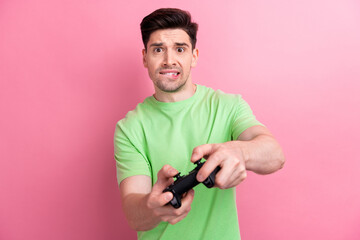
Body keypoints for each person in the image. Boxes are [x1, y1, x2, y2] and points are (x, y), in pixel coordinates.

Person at [114, 8, 285, 240]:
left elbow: (275, 155)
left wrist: (239, 151)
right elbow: (134, 215)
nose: (169, 60)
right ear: (145, 57)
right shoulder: (130, 127)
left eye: (180, 49)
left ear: (193, 56)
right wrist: (153, 206)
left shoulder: (228, 105)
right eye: (158, 49)